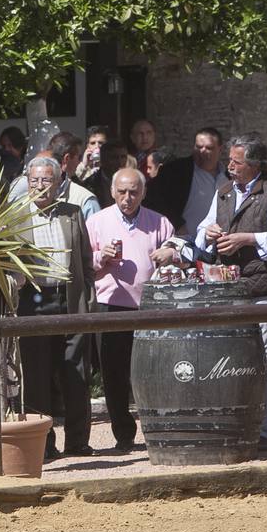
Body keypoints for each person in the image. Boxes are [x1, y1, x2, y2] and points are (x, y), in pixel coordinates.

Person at [191, 134, 267, 451]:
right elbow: (202, 231)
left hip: (266, 286)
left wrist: (248, 239)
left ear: (254, 165)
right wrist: (208, 232)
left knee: (263, 358)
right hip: (229, 285)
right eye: (230, 161)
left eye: (236, 162)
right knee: (229, 357)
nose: (230, 166)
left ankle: (264, 431)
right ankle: (235, 423)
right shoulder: (224, 192)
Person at [86, 168, 177, 452]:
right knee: (114, 373)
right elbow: (83, 262)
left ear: (143, 193)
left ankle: (157, 428)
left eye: (134, 192)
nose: (128, 198)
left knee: (153, 371)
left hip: (150, 306)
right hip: (110, 306)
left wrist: (171, 254)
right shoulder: (97, 221)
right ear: (112, 192)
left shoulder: (159, 222)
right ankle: (123, 434)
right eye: (122, 192)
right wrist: (101, 257)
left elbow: (178, 252)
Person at [17, 157, 95, 458]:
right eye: (34, 180)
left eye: (46, 180)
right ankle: (44, 445)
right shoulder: (16, 217)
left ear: (59, 182)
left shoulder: (72, 214)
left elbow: (86, 262)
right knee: (36, 377)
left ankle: (77, 442)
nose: (40, 186)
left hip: (69, 301)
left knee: (75, 373)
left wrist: (87, 298)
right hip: (34, 302)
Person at [145, 127, 226, 233]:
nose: (202, 152)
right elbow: (155, 200)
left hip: (217, 243)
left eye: (209, 148)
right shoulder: (176, 171)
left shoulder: (228, 176)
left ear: (220, 149)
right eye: (199, 147)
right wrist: (177, 225)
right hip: (183, 242)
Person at [8, 134, 100, 220]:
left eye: (46, 180)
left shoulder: (84, 199)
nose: (40, 186)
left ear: (57, 182)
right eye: (78, 157)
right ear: (66, 159)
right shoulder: (22, 185)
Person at [83, 141, 129, 210]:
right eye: (114, 158)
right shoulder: (90, 185)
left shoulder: (132, 182)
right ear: (103, 159)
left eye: (123, 157)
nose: (120, 162)